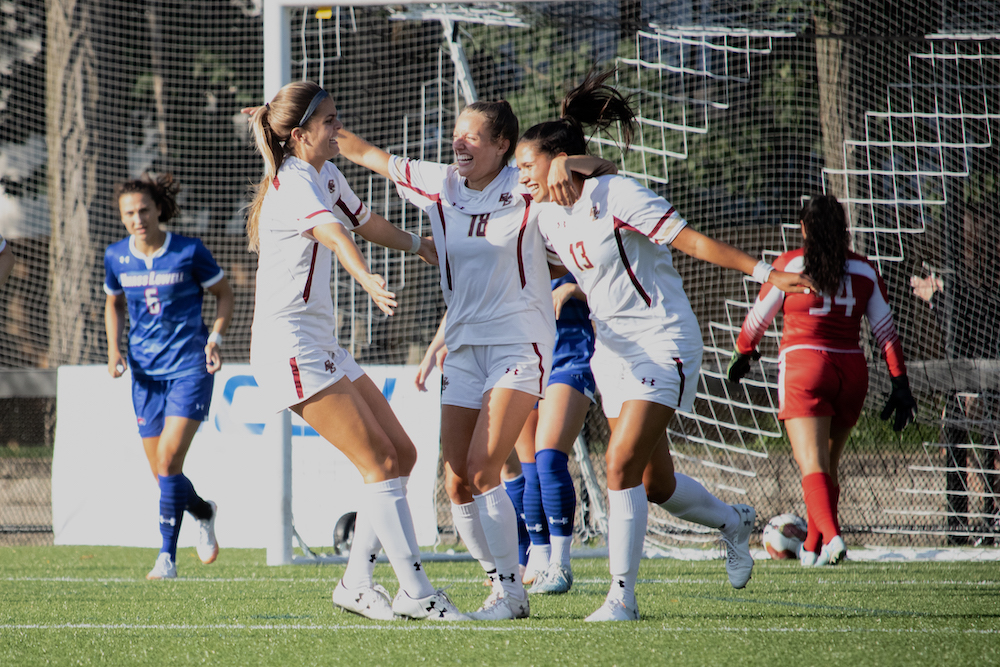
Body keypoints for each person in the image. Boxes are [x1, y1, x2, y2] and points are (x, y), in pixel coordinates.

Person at [515, 70, 815, 621]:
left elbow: (692, 240)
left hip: (664, 342)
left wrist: (763, 272)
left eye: (528, 166)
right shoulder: (541, 211)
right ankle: (733, 522)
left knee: (618, 464)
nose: (521, 177)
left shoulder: (619, 195)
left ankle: (620, 600)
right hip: (612, 354)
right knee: (656, 483)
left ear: (558, 161)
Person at [340, 100, 614, 620]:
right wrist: (289, 129)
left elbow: (604, 173)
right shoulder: (438, 182)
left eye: (472, 137)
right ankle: (500, 581)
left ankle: (512, 593)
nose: (458, 143)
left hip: (519, 344)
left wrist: (563, 164)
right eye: (455, 134)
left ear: (502, 146)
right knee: (456, 481)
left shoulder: (527, 185)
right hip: (463, 347)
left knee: (485, 468)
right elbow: (363, 152)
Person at [245, 80, 466, 622]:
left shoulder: (325, 172)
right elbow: (337, 236)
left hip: (319, 342)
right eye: (329, 123)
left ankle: (356, 582)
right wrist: (366, 278)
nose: (338, 130)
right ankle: (416, 593)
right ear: (300, 136)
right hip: (289, 345)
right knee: (381, 462)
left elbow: (363, 223)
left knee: (403, 455)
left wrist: (421, 247)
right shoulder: (294, 180)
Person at [731, 194, 918, 566]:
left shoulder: (790, 265)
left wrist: (744, 351)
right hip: (851, 373)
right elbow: (886, 333)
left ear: (804, 229)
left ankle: (832, 539)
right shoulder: (865, 270)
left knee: (812, 465)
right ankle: (813, 550)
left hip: (805, 368)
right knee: (829, 467)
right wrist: (900, 383)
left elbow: (757, 320)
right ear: (844, 230)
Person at [104, 173, 234, 580]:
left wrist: (214, 338)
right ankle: (203, 510)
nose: (137, 218)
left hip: (189, 368)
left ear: (158, 208)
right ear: (122, 218)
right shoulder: (115, 257)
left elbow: (225, 294)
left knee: (167, 460)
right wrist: (113, 350)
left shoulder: (188, 251)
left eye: (143, 209)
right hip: (144, 376)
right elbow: (114, 304)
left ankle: (166, 558)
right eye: (129, 213)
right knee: (164, 475)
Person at [910, 201, 999, 543]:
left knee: (989, 432)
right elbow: (964, 319)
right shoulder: (961, 284)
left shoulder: (979, 282)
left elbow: (980, 311)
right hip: (974, 377)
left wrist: (941, 294)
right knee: (956, 418)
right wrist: (937, 296)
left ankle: (993, 513)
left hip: (991, 376)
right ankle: (976, 518)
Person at [514, 273, 594, 594]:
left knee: (548, 458)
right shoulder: (515, 234)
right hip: (524, 355)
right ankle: (540, 560)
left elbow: (619, 290)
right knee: (530, 469)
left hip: (570, 352)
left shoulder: (580, 232)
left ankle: (560, 565)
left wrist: (574, 289)